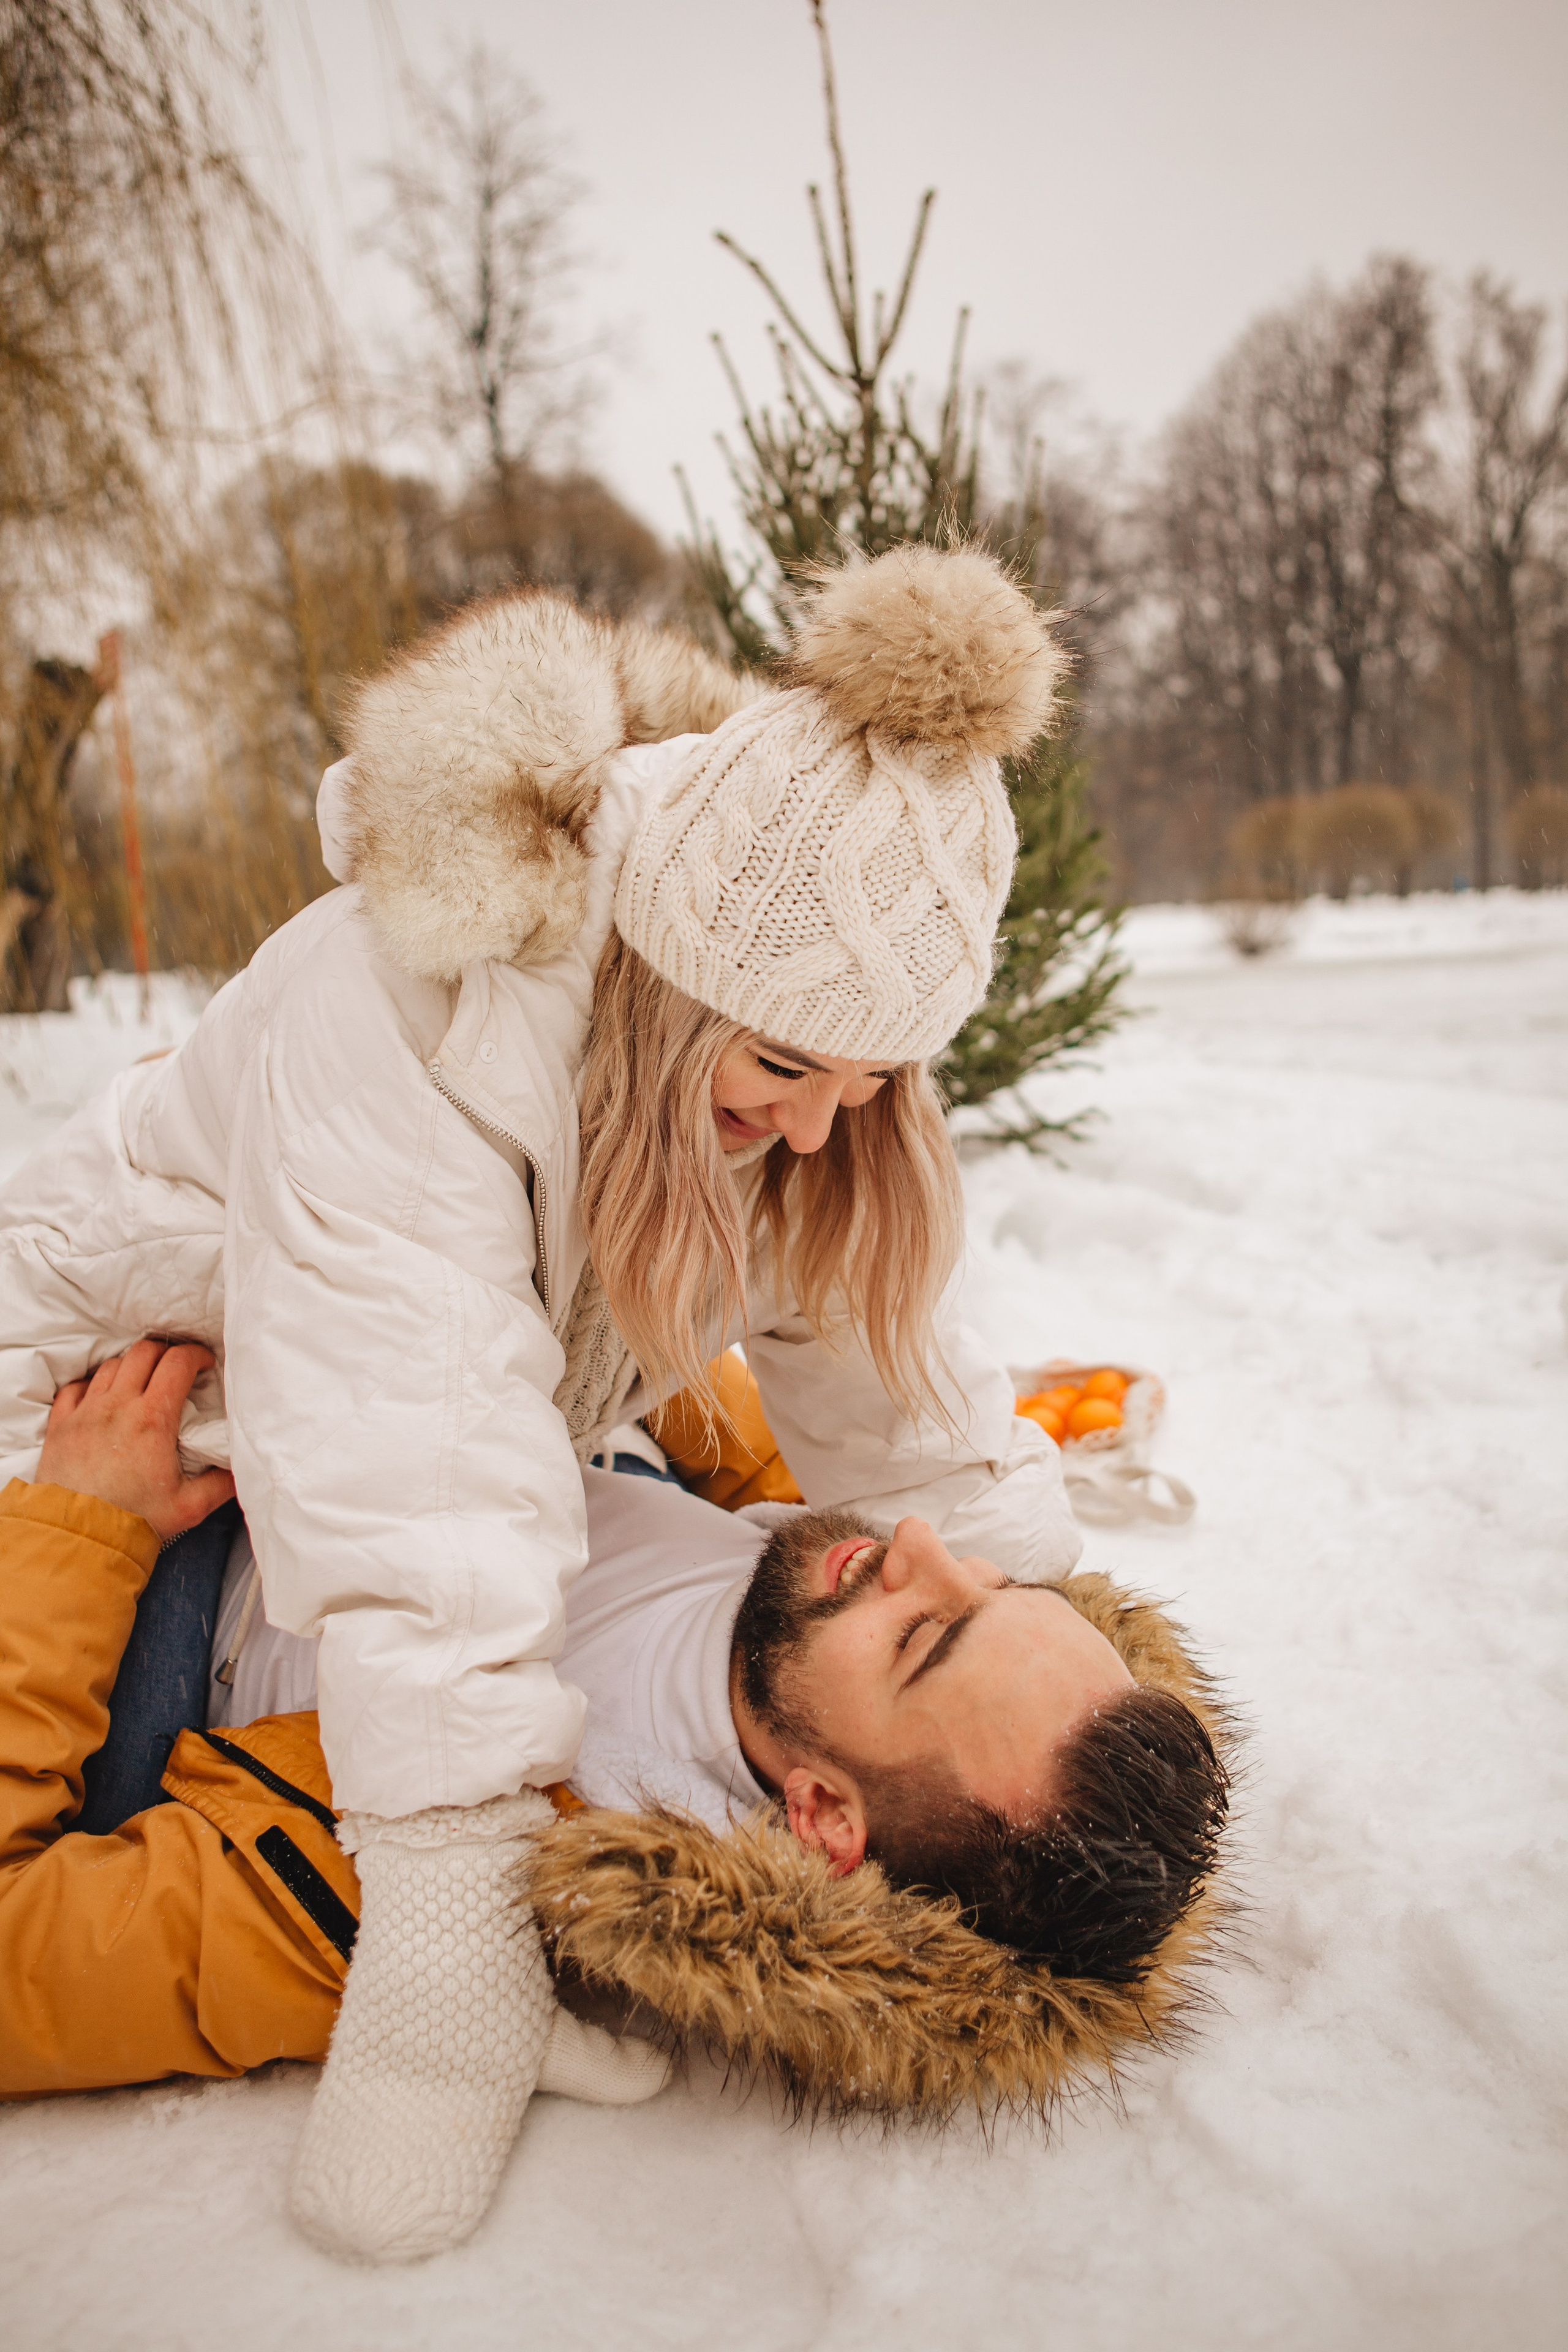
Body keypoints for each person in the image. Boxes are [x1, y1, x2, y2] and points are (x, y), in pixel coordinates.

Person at [0, 545, 1079, 2257]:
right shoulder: (410, 1004)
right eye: (786, 1065)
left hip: (367, 1462)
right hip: (129, 1441)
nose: (818, 1124)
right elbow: (411, 1432)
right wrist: (453, 1907)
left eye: (870, 1082)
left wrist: (1059, 1650)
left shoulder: (776, 1092)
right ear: (665, 989)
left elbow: (890, 1380)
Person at [2, 1344, 1226, 2144]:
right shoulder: (809, 1607)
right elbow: (759, 1429)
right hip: (452, 1429)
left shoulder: (472, 1850)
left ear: (822, 1818)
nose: (913, 1547)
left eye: (921, 1636)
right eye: (986, 1581)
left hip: (171, 1583)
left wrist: (82, 1528)